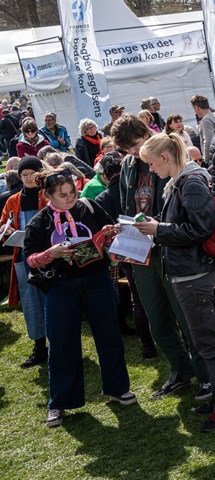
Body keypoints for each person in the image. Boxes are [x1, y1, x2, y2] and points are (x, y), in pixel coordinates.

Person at [133, 133, 215, 431]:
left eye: (153, 164)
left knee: (209, 340)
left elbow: (200, 229)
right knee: (205, 339)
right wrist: (157, 225)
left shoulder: (190, 182)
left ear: (166, 158)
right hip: (188, 272)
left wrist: (159, 229)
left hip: (193, 273)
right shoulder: (183, 180)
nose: (152, 170)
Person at [112, 115, 211, 401]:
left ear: (146, 135)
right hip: (140, 250)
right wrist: (124, 226)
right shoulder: (128, 166)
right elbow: (126, 202)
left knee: (186, 317)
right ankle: (181, 371)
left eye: (134, 146)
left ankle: (208, 376)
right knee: (157, 320)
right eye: (126, 149)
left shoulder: (166, 155)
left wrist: (158, 227)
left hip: (169, 247)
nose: (132, 153)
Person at [23, 170, 132, 427]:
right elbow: (30, 260)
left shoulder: (88, 206)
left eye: (72, 192)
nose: (70, 198)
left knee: (109, 335)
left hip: (97, 281)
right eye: (63, 195)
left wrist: (109, 234)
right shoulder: (39, 223)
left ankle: (118, 389)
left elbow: (107, 234)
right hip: (61, 287)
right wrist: (52, 253)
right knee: (62, 344)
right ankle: (60, 402)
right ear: (48, 196)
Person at [2, 156, 49, 367]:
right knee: (31, 305)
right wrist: (8, 231)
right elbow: (3, 223)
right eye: (24, 175)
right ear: (19, 176)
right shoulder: (13, 201)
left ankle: (60, 345)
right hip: (23, 259)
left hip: (49, 258)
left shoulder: (48, 195)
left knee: (53, 302)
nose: (29, 178)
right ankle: (40, 348)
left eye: (32, 174)